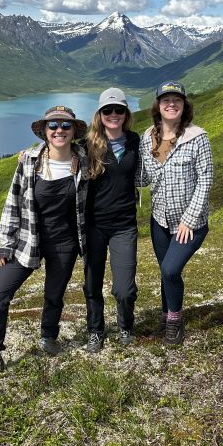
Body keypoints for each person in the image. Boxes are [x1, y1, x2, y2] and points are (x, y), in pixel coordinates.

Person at [0, 105, 88, 384]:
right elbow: (13, 202)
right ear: (45, 132)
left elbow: (111, 143)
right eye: (53, 126)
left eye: (65, 125)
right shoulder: (29, 161)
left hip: (66, 242)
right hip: (28, 240)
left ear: (74, 131)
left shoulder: (84, 160)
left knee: (54, 295)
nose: (59, 130)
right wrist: (5, 243)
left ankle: (49, 337)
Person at [138, 81, 213, 345]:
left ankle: (175, 322)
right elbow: (141, 177)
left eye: (177, 100)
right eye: (165, 100)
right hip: (159, 220)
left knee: (170, 270)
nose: (171, 104)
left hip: (189, 223)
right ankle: (165, 314)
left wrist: (190, 219)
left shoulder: (197, 137)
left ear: (184, 106)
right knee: (164, 272)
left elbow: (205, 179)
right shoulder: (148, 138)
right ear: (157, 106)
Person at [79, 88, 141, 352]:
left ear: (126, 114)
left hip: (124, 226)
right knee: (92, 283)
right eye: (108, 110)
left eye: (119, 110)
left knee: (124, 289)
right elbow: (55, 152)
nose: (113, 115)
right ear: (100, 114)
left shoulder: (136, 141)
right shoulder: (86, 145)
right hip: (93, 225)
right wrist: (30, 154)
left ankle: (125, 324)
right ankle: (95, 330)